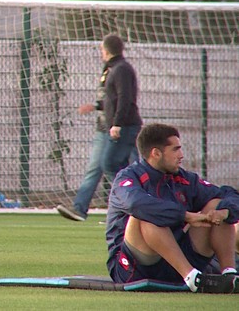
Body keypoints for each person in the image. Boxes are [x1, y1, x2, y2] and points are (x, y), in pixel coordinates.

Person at [105, 123, 239, 293]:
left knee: (218, 203)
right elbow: (135, 203)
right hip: (134, 268)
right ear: (156, 153)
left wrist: (224, 212)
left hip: (177, 261)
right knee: (145, 214)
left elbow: (229, 194)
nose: (181, 155)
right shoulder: (128, 177)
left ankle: (229, 275)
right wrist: (186, 216)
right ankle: (192, 278)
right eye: (176, 149)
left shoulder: (183, 178)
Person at [57, 33, 142, 221]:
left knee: (113, 166)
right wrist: (95, 106)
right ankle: (80, 209)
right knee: (97, 167)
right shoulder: (111, 69)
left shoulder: (121, 69)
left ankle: (132, 207)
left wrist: (117, 124)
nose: (100, 53)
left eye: (102, 49)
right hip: (105, 127)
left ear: (107, 50)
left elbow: (125, 99)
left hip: (121, 127)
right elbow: (112, 100)